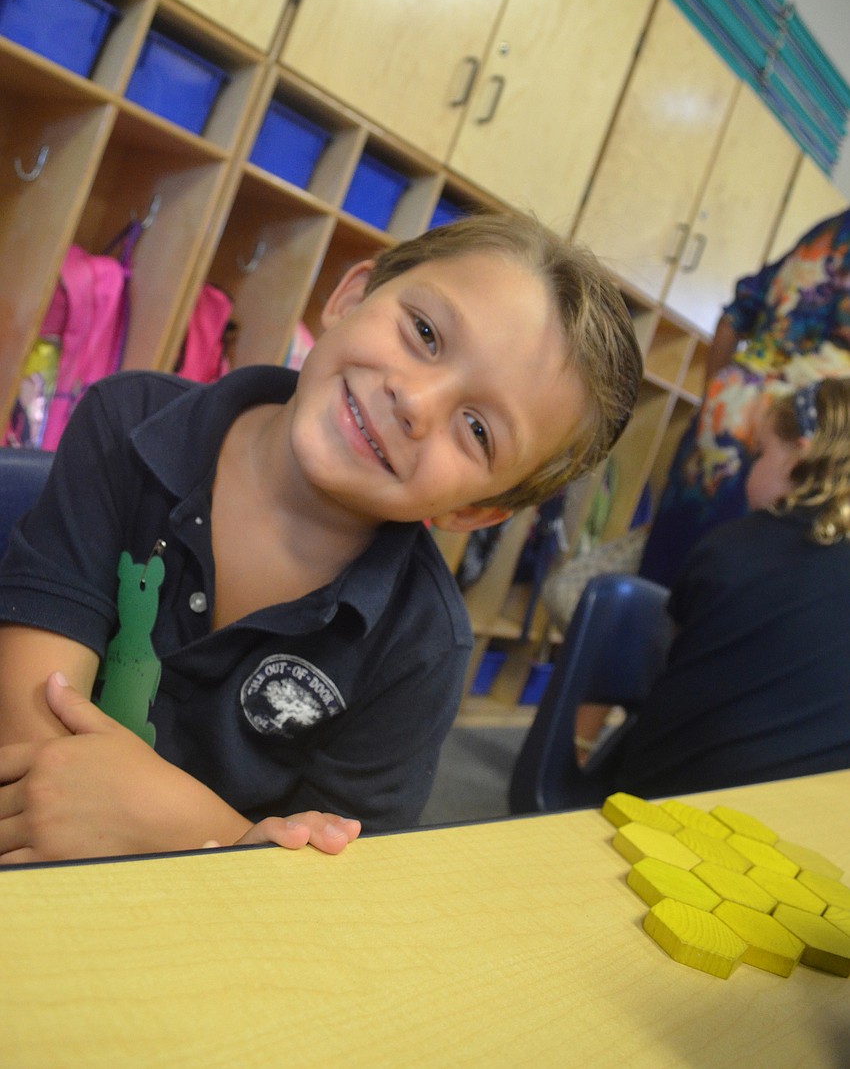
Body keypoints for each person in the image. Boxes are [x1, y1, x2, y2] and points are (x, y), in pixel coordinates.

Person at [0, 209, 642, 863]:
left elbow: (325, 883)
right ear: (351, 295)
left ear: (474, 512)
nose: (416, 402)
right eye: (424, 331)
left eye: (478, 429)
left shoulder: (422, 647)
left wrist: (188, 827)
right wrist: (237, 836)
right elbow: (32, 737)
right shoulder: (126, 422)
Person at [614, 377, 850, 798]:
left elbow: (672, 658)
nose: (748, 469)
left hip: (662, 795)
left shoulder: (730, 546)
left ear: (801, 456)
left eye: (759, 454)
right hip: (804, 819)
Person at [639, 207, 850, 588]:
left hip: (726, 416)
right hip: (797, 446)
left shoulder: (827, 231)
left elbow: (733, 317)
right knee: (732, 587)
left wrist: (715, 399)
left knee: (666, 573)